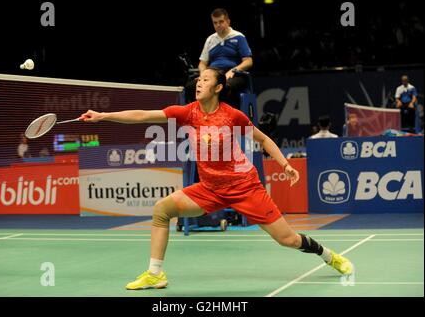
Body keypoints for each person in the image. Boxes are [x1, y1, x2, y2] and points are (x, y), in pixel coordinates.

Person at [79, 67, 353, 290]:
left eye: (205, 80)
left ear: (218, 87)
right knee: (162, 209)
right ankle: (155, 274)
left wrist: (285, 164)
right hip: (209, 188)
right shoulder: (188, 112)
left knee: (288, 239)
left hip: (244, 187)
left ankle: (328, 256)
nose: (199, 83)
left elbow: (263, 139)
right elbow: (142, 116)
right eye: (198, 79)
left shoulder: (232, 116)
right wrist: (104, 116)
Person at [185, 8, 253, 108]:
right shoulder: (210, 39)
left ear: (228, 21)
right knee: (191, 86)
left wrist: (233, 71)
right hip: (214, 73)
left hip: (234, 75)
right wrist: (203, 75)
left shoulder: (238, 37)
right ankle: (197, 115)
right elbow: (202, 63)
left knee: (226, 87)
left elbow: (248, 61)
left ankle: (226, 117)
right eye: (215, 23)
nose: (218, 25)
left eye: (221, 21)